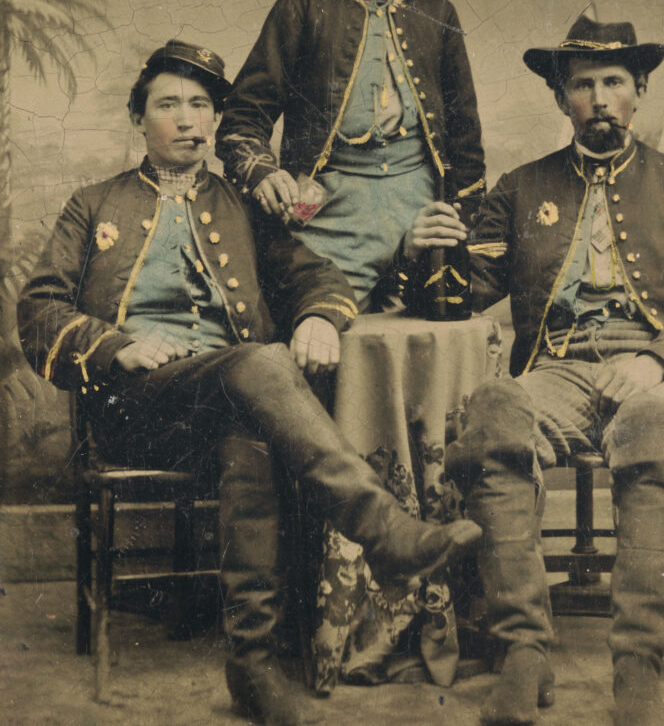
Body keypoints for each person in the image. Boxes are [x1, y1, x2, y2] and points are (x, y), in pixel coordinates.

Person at [17, 40, 481, 725]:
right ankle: (381, 527)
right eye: (167, 105)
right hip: (136, 410)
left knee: (251, 435)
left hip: (225, 404)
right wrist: (117, 345)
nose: (187, 119)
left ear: (215, 119)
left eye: (200, 105)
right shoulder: (93, 204)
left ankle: (253, 664)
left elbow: (315, 276)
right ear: (138, 118)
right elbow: (38, 309)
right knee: (261, 364)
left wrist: (320, 316)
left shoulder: (242, 205)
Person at [403, 15, 664, 725]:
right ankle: (524, 650)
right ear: (562, 98)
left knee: (657, 432)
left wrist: (653, 363)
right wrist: (424, 251)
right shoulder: (520, 187)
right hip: (556, 369)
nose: (599, 98)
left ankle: (637, 665)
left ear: (638, 90)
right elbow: (458, 298)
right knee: (493, 413)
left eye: (613, 82)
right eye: (583, 85)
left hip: (659, 374)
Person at [215, 0, 486, 308]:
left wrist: (457, 226)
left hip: (419, 212)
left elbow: (465, 140)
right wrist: (263, 172)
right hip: (325, 218)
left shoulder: (437, 12)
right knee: (315, 326)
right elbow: (243, 117)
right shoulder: (301, 6)